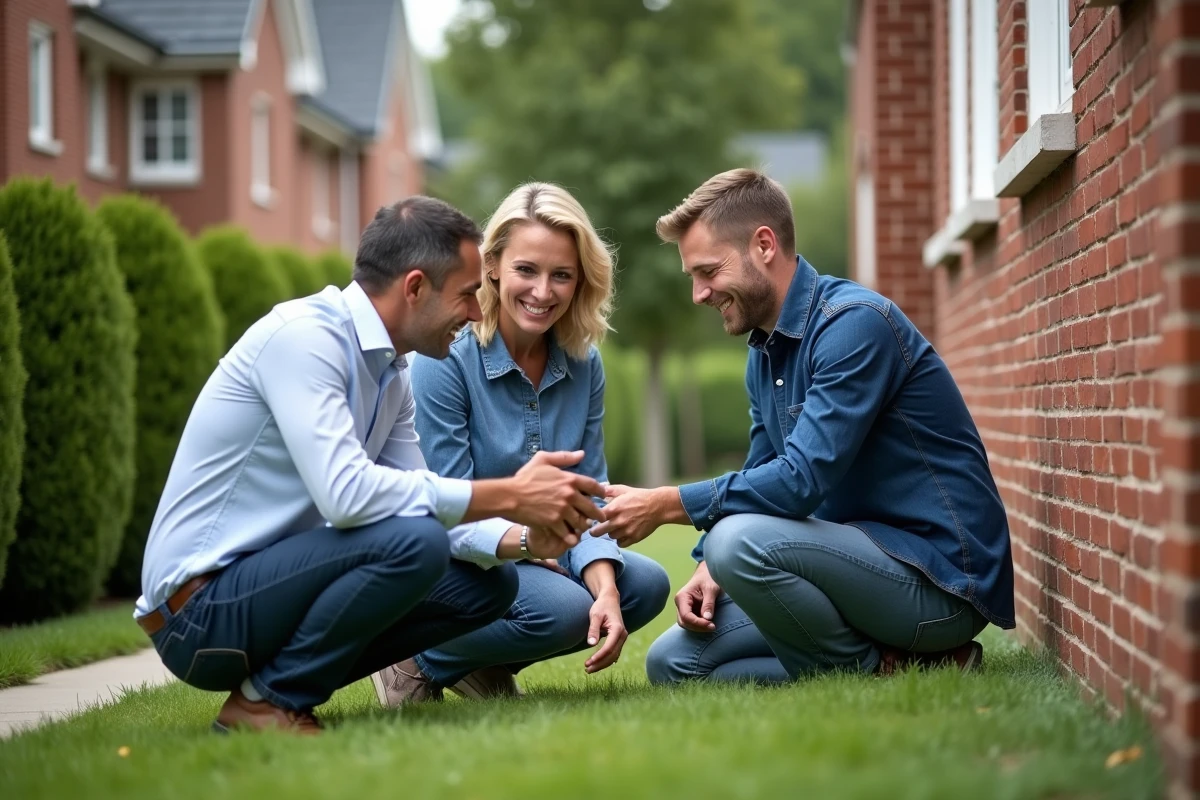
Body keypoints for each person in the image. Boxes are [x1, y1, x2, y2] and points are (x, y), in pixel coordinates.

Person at [135, 197, 607, 734]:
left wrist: (524, 542)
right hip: (198, 614)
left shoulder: (391, 372)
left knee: (489, 588)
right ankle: (266, 703)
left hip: (268, 594)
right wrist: (509, 495)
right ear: (414, 288)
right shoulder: (305, 340)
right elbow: (347, 496)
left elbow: (420, 490)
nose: (479, 312)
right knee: (416, 541)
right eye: (466, 295)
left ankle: (273, 693)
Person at [588, 168, 1014, 684]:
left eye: (708, 271)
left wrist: (667, 504)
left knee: (735, 542)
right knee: (675, 662)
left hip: (936, 583)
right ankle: (897, 663)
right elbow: (763, 468)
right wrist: (706, 568)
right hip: (848, 568)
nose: (699, 293)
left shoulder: (854, 324)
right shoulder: (763, 354)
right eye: (692, 278)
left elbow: (800, 480)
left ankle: (876, 666)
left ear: (764, 245)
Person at [370, 183, 670, 705]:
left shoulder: (583, 363)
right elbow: (447, 505)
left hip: (543, 547)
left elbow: (588, 497)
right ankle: (411, 660)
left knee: (640, 586)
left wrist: (604, 590)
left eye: (562, 275)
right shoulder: (445, 358)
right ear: (492, 267)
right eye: (526, 270)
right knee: (562, 610)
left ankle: (477, 662)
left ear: (581, 282)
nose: (542, 291)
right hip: (448, 559)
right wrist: (527, 545)